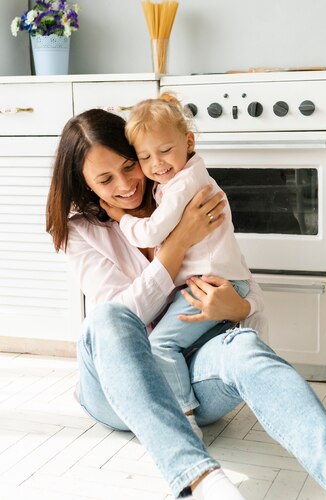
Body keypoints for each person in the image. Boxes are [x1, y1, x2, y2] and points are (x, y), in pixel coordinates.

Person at [45, 108, 326, 500]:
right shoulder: (80, 232)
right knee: (107, 317)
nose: (126, 184)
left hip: (193, 382)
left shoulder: (177, 195)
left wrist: (237, 309)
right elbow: (124, 324)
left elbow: (239, 280)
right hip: (117, 391)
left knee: (246, 347)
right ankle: (202, 481)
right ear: (84, 185)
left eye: (130, 165)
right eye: (105, 179)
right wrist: (176, 248)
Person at [98, 93, 251, 439]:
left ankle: (185, 420)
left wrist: (120, 216)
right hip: (219, 281)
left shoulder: (182, 184)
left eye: (165, 151)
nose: (157, 164)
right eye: (145, 157)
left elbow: (151, 231)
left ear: (188, 140)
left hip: (210, 285)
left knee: (161, 346)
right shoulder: (183, 175)